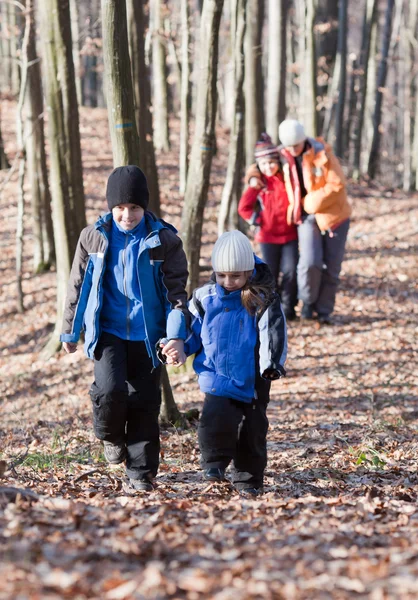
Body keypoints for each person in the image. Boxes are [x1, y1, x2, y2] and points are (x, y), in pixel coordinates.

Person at [61, 165, 189, 492]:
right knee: (110, 391)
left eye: (133, 208)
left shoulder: (165, 241)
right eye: (119, 208)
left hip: (150, 337)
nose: (126, 215)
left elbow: (177, 295)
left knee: (146, 404)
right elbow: (78, 286)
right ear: (110, 207)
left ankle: (141, 474)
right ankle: (110, 436)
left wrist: (175, 336)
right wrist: (70, 331)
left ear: (144, 207)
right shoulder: (93, 238)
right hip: (108, 332)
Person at [161, 231, 287, 496]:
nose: (228, 282)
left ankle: (248, 480)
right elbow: (192, 330)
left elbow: (272, 333)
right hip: (215, 373)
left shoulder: (262, 299)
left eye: (236, 276)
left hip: (253, 376)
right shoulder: (204, 298)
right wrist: (180, 347)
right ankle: (214, 464)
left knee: (252, 430)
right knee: (214, 419)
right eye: (222, 276)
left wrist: (271, 363)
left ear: (249, 272)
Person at [278, 119, 352, 323]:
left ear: (304, 140)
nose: (293, 150)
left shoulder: (322, 153)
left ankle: (325, 311)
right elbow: (260, 166)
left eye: (296, 145)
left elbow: (337, 184)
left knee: (332, 266)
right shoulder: (282, 157)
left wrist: (310, 203)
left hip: (334, 216)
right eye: (289, 146)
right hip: (305, 218)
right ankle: (308, 302)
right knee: (310, 262)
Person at [239, 133, 298, 320]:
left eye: (271, 162)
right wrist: (257, 219)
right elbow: (243, 207)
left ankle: (289, 307)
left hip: (289, 234)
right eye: (264, 164)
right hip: (267, 236)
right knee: (270, 272)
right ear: (258, 166)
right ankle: (273, 306)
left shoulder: (286, 178)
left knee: (290, 271)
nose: (268, 167)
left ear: (277, 162)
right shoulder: (258, 183)